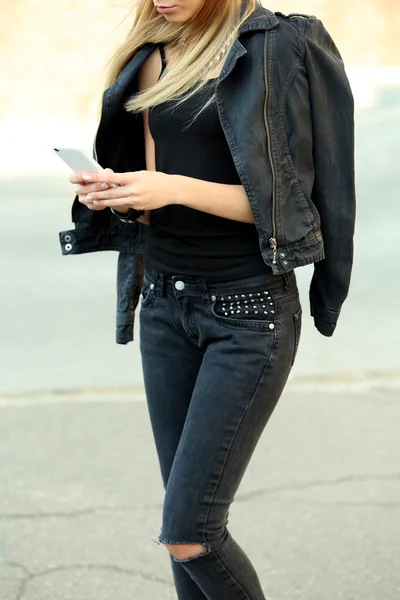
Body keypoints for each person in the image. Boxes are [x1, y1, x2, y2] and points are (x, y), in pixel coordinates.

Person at [61, 0, 355, 597]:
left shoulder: (281, 46)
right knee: (182, 527)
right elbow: (152, 190)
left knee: (189, 533)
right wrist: (118, 194)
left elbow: (292, 206)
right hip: (166, 305)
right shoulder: (153, 55)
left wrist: (170, 186)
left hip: (247, 313)